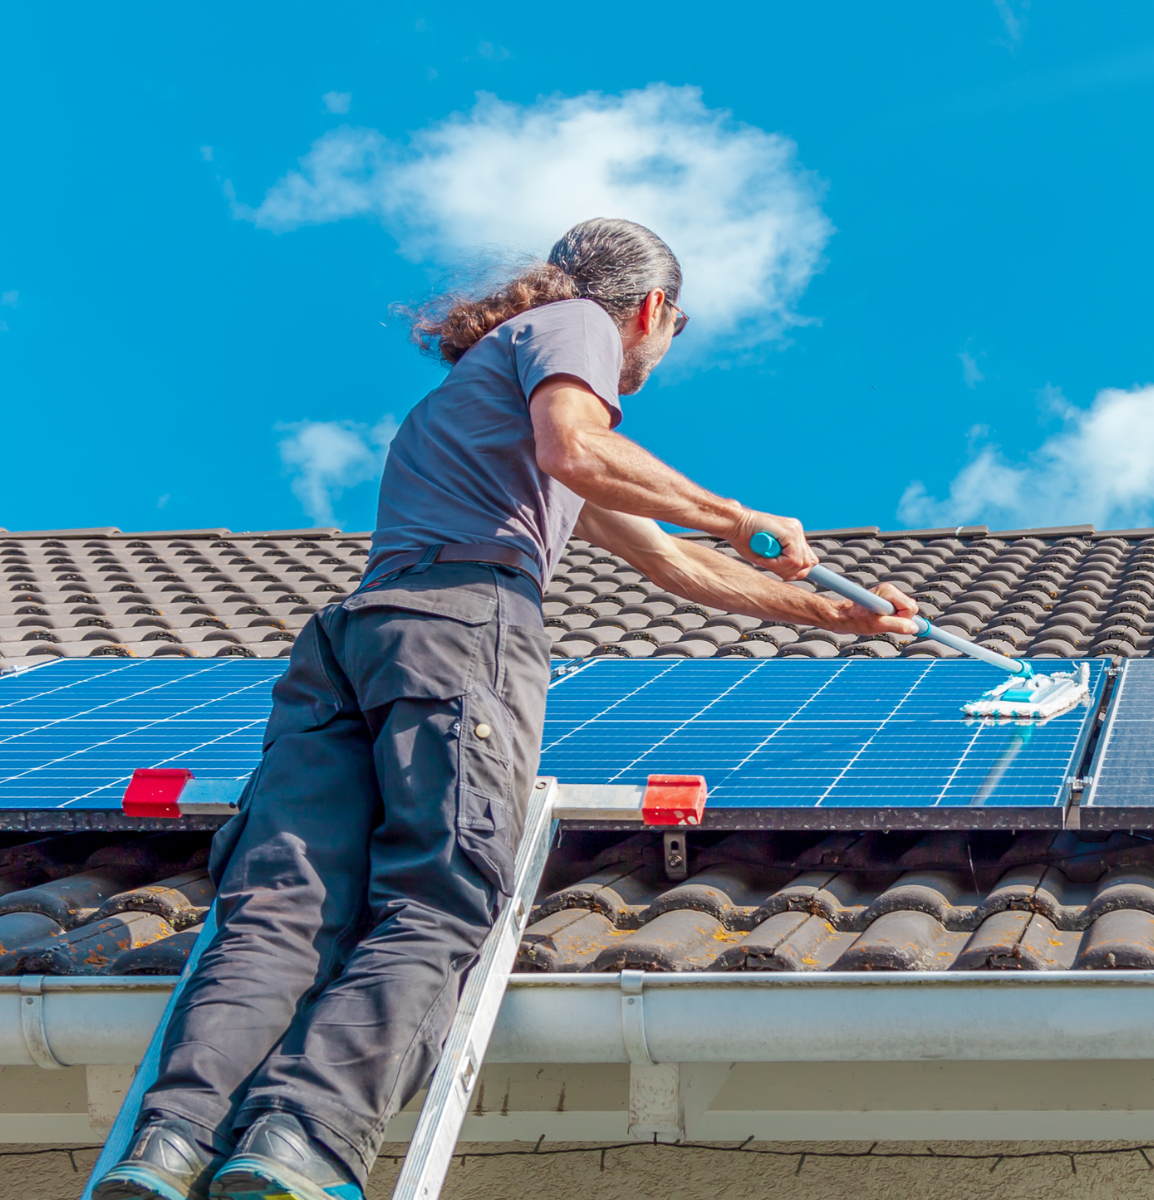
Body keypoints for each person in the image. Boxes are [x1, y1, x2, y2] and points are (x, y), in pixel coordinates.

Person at [94, 218, 919, 1200]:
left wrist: (830, 614)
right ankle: (300, 1145)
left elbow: (668, 562)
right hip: (459, 628)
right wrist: (743, 517)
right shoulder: (576, 330)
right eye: (672, 327)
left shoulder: (485, 395)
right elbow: (580, 448)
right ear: (651, 308)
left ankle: (170, 1145)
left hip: (355, 641)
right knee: (439, 894)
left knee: (285, 907)